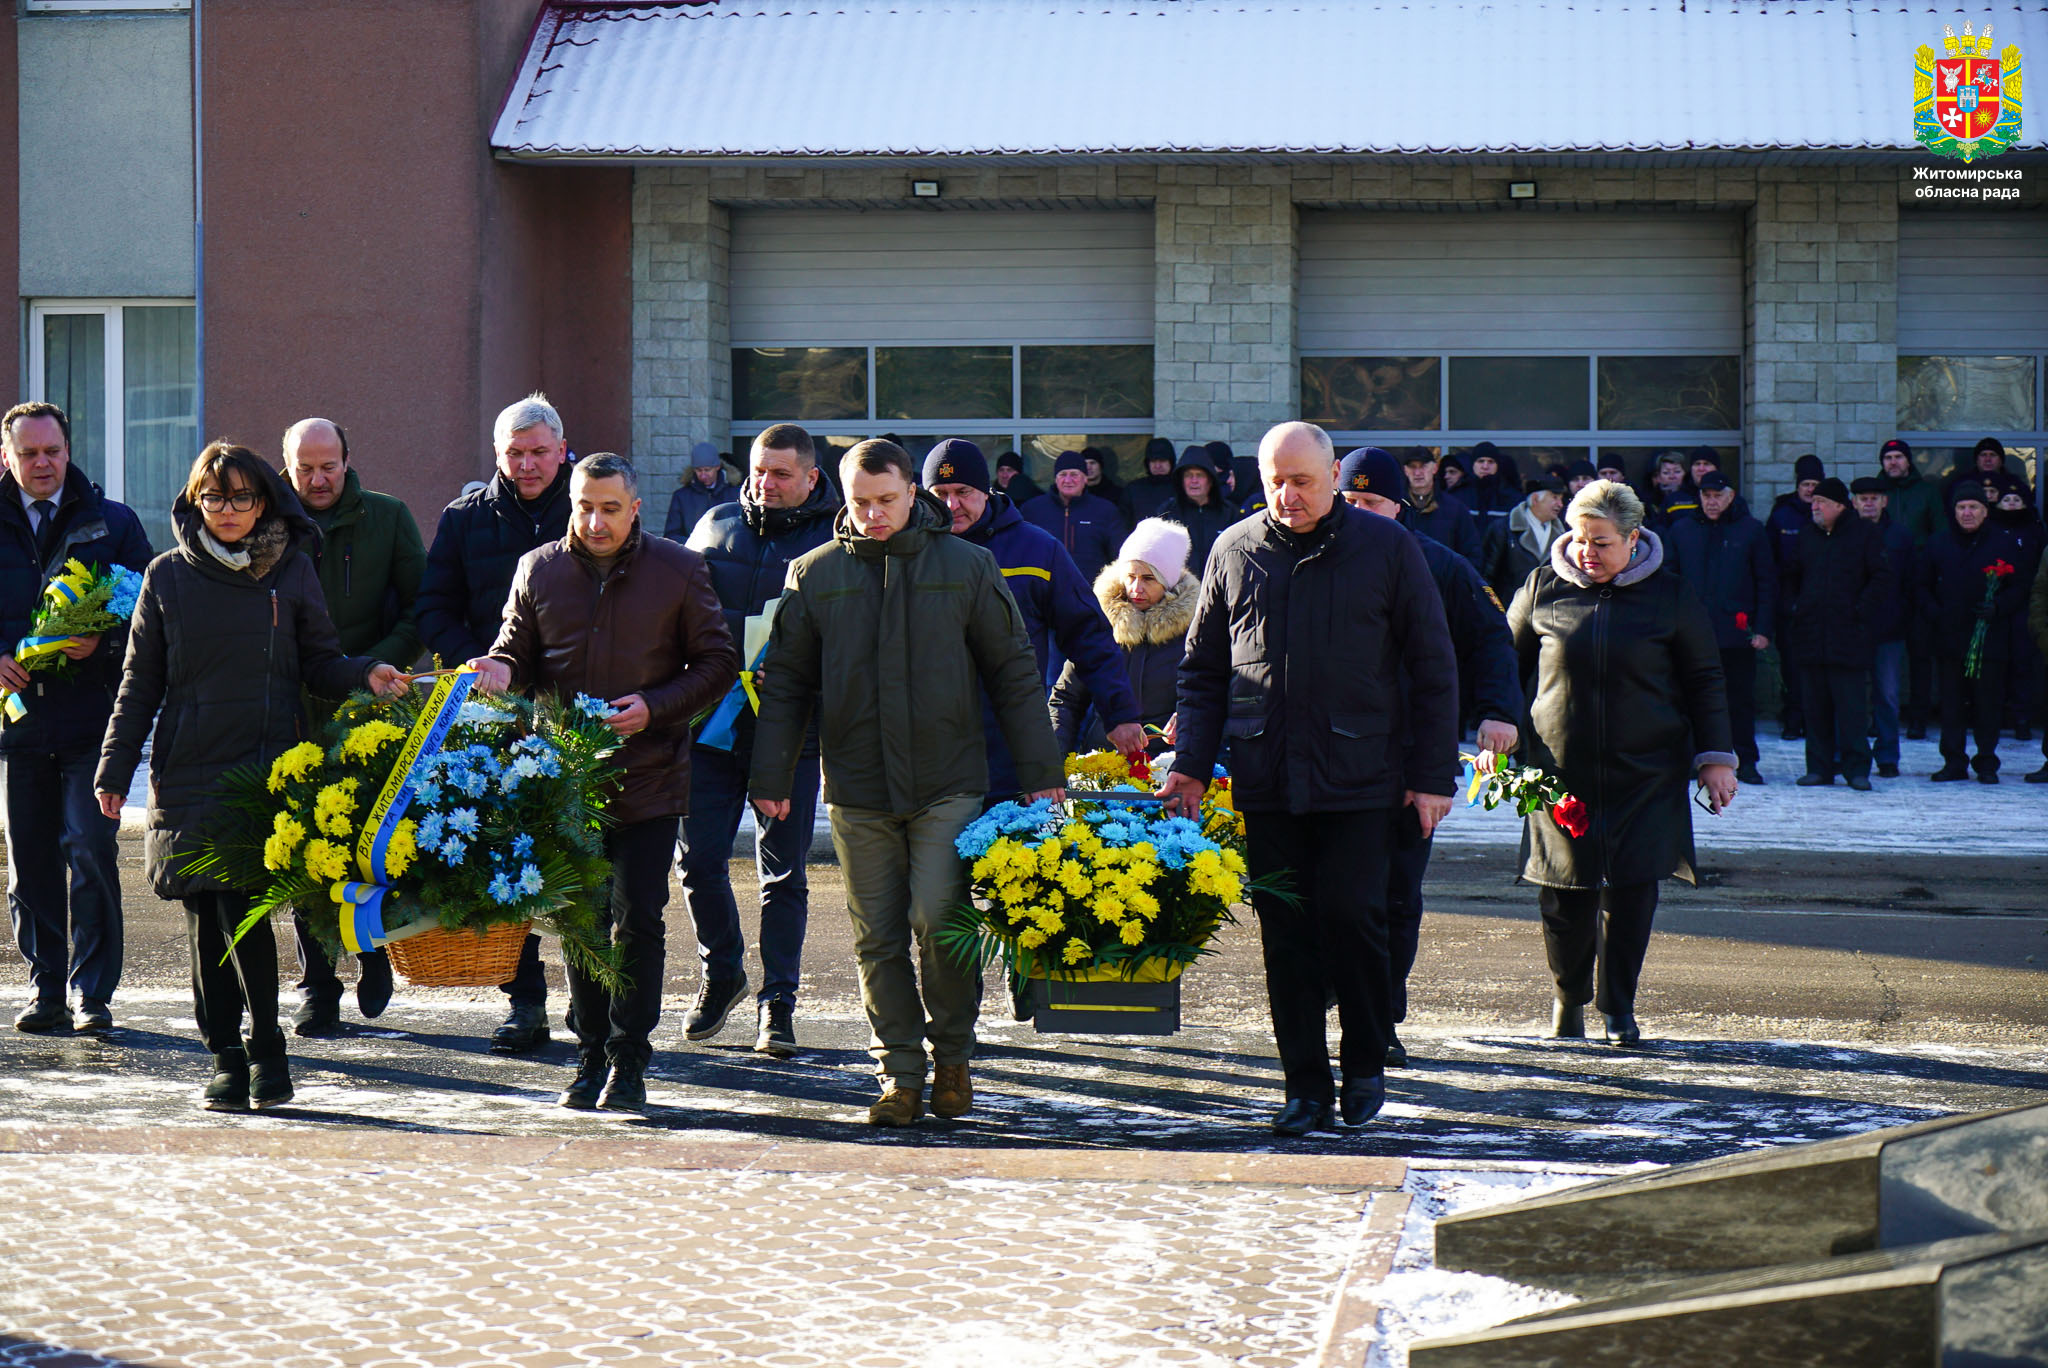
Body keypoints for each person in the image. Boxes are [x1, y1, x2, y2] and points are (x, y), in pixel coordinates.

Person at [748, 439, 1062, 1127]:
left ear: (911, 494)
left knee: (937, 917)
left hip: (948, 779)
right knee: (877, 936)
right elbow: (789, 685)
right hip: (857, 785)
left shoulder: (969, 566)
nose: (872, 515)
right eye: (859, 502)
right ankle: (900, 1076)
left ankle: (952, 1055)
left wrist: (1042, 774)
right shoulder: (815, 573)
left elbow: (1013, 673)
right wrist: (772, 774)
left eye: (886, 500)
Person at [1159, 422, 1458, 1137]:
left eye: (1301, 481)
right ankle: (1304, 1087)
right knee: (1286, 935)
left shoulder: (1387, 547)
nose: (1287, 496)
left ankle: (1364, 1064)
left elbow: (1432, 668)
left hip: (1363, 776)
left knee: (1357, 920)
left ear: (1332, 479)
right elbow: (1202, 676)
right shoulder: (1235, 550)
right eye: (1274, 482)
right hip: (1268, 777)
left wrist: (1431, 777)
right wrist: (1192, 766)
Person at [95, 443, 409, 1110]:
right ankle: (226, 1055)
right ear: (195, 502)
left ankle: (266, 1049)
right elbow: (138, 683)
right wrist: (115, 768)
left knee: (243, 911)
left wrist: (364, 672)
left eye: (242, 497)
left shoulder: (289, 571)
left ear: (263, 501)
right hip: (186, 770)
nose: (228, 511)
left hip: (264, 772)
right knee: (203, 917)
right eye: (215, 498)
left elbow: (319, 660)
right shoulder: (166, 577)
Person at [470, 453, 738, 1111]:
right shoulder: (539, 569)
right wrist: (500, 670)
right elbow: (514, 648)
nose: (595, 520)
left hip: (648, 776)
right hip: (564, 783)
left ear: (635, 508)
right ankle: (589, 1055)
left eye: (610, 508)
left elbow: (717, 661)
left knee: (637, 921)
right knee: (581, 923)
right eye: (584, 506)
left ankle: (629, 1058)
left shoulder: (679, 569)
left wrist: (656, 706)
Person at [1507, 479, 1736, 1048]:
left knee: (1632, 890)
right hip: (1558, 771)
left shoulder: (1671, 595)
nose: (1588, 553)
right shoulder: (1541, 587)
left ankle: (1618, 1005)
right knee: (1563, 892)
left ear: (1633, 539)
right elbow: (1501, 668)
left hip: (1647, 770)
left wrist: (1715, 759)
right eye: (1581, 540)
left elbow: (1705, 679)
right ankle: (1568, 998)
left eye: (1602, 543)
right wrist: (1496, 731)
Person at [1338, 447, 1520, 1069]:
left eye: (1372, 502)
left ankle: (1380, 1017)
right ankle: (1322, 1008)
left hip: (1410, 761)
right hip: (1326, 758)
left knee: (1393, 896)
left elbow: (1491, 640)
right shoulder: (1313, 556)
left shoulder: (1440, 566)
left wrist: (1498, 710)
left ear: (1400, 504)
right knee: (1328, 895)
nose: (1359, 512)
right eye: (1350, 500)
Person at [415, 392, 573, 1054]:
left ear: (563, 451)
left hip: (574, 716)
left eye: (539, 451)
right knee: (507, 858)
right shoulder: (464, 520)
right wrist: (473, 664)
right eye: (515, 452)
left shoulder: (588, 511)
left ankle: (596, 1002)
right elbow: (433, 608)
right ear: (497, 455)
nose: (528, 464)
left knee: (579, 861)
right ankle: (526, 1002)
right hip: (491, 717)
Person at [678, 423, 838, 1056]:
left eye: (780, 474)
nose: (765, 485)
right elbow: (678, 613)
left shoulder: (839, 540)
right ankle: (723, 974)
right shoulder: (713, 525)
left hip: (791, 732)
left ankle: (779, 1003)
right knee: (697, 862)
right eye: (758, 471)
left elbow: (854, 639)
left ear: (811, 478)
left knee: (785, 872)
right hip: (711, 727)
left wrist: (805, 672)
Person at [1, 403, 152, 1036]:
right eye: (29, 453)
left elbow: (152, 612)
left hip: (94, 723)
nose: (42, 463)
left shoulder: (112, 522)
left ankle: (93, 994)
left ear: (68, 449)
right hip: (17, 728)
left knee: (90, 851)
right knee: (30, 862)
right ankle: (46, 991)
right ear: (7, 457)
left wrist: (107, 643)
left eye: (52, 451)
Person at [275, 417, 426, 1037]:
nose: (317, 479)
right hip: (291, 704)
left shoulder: (388, 517)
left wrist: (371, 669)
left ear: (347, 460)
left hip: (372, 701)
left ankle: (372, 950)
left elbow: (423, 606)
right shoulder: (269, 524)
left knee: (370, 836)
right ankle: (318, 985)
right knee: (302, 845)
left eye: (328, 466)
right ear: (287, 468)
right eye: (304, 468)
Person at [924, 439, 1143, 798]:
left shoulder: (1036, 549)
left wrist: (1119, 713)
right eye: (940, 493)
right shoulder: (912, 551)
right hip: (932, 746)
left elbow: (1088, 634)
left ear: (985, 489)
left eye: (963, 491)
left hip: (1011, 740)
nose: (952, 505)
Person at [1665, 471, 1776, 786]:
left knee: (1739, 701)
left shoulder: (1751, 531)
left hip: (1736, 634)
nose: (1711, 502)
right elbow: (1668, 581)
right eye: (1706, 495)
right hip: (1691, 633)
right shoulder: (1682, 530)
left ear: (1731, 496)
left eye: (1718, 495)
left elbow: (1766, 583)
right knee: (1688, 699)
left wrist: (1763, 629)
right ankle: (1690, 758)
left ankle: (1745, 759)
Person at [1049, 518, 1197, 754]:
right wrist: (1054, 762)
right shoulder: (1099, 626)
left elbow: (1217, 692)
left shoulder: (1194, 631)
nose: (1136, 588)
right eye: (1130, 576)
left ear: (1168, 582)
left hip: (1172, 766)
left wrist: (1194, 716)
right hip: (1101, 766)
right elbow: (1066, 699)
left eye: (1149, 579)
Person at [1782, 477, 1892, 790]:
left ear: (1839, 506)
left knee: (1852, 710)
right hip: (1811, 636)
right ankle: (1819, 768)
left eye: (1821, 502)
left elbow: (1882, 577)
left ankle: (1857, 770)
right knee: (1815, 709)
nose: (1814, 507)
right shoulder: (1807, 536)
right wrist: (1795, 607)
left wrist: (1859, 611)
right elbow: (1790, 576)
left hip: (1850, 638)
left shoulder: (1865, 535)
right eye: (1813, 502)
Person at [1922, 481, 2026, 783]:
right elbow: (1920, 584)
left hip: (1989, 639)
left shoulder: (2003, 543)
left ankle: (1986, 762)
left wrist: (1999, 606)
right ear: (1953, 511)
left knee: (1987, 705)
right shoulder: (1939, 542)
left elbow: (2020, 585)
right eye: (1961, 507)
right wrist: (1934, 612)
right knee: (1952, 705)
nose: (1967, 513)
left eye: (1973, 507)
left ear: (1985, 511)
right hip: (1950, 637)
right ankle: (1954, 761)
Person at [1850, 477, 1916, 779]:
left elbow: (1910, 581)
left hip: (1889, 629)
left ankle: (1888, 756)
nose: (1868, 503)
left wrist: (1902, 615)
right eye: (1863, 498)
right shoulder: (1843, 533)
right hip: (1851, 628)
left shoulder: (1900, 536)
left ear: (1884, 502)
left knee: (1887, 696)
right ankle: (1850, 754)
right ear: (1853, 502)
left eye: (1874, 498)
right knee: (1850, 696)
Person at [1876, 439, 1941, 739]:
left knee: (1920, 654)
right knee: (1877, 659)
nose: (1893, 463)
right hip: (1882, 587)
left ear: (1908, 461)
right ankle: (1877, 718)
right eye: (1888, 457)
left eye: (1898, 457)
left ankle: (1918, 716)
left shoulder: (1927, 492)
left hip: (1917, 582)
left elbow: (1940, 534)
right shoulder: (1874, 493)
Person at [1766, 454, 1826, 741]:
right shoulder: (1781, 515)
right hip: (1789, 605)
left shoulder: (1831, 515)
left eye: (1815, 484)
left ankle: (1815, 721)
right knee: (1791, 667)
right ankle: (1792, 719)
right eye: (1805, 483)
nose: (1810, 489)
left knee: (1818, 668)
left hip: (1821, 605)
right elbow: (1769, 561)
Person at [1020, 451, 1125, 583]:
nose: (1068, 480)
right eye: (1063, 474)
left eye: (1074, 474)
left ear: (1085, 478)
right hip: (1044, 593)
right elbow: (1019, 552)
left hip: (1091, 593)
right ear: (1055, 479)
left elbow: (1119, 556)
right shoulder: (1032, 510)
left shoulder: (1105, 511)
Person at [1155, 444, 1238, 580]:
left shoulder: (1229, 513)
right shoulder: (1167, 512)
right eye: (1188, 475)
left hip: (1220, 590)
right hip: (1179, 591)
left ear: (1210, 480)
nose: (1194, 481)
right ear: (1181, 481)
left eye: (1199, 475)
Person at [1481, 475, 1567, 603]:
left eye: (1561, 499)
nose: (1560, 504)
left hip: (1546, 614)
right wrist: (1494, 611)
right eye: (1554, 497)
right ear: (1535, 499)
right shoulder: (1503, 529)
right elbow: (1486, 577)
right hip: (1508, 611)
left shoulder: (1563, 535)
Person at [1398, 450, 1483, 567]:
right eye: (1412, 467)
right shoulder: (1396, 507)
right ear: (1405, 470)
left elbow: (1472, 553)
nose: (1417, 473)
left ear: (1435, 469)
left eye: (1423, 466)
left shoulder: (1455, 508)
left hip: (1444, 583)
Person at [663, 441, 737, 540]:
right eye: (699, 470)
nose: (703, 475)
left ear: (717, 467)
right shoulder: (681, 497)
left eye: (707, 470)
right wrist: (693, 545)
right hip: (691, 553)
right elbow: (671, 535)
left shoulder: (734, 493)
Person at [1462, 441, 1522, 544]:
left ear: (1497, 465)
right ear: (1473, 464)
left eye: (1491, 461)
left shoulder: (1512, 498)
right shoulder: (1459, 496)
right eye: (1481, 461)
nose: (1485, 466)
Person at [1119, 438, 1179, 525]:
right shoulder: (1133, 490)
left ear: (1171, 462)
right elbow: (1123, 523)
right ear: (1147, 463)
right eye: (1153, 461)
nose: (1158, 465)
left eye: (1162, 460)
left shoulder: (1181, 488)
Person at [1641, 452, 1698, 530]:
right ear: (1658, 477)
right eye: (1666, 472)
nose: (1672, 476)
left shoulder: (1694, 498)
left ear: (1685, 474)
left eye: (1677, 471)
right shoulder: (1649, 501)